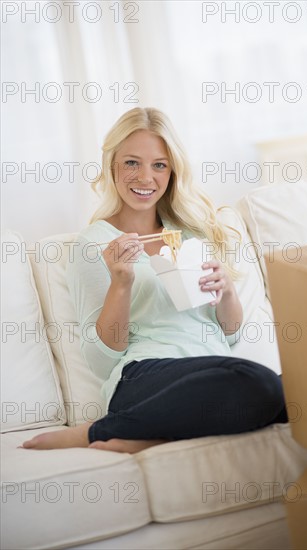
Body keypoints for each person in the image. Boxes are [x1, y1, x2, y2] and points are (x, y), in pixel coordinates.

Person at [22, 107, 287, 453]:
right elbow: (102, 362)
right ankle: (98, 430)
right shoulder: (93, 244)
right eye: (132, 162)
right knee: (261, 384)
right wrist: (121, 282)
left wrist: (226, 293)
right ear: (112, 165)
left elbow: (231, 335)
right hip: (145, 376)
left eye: (159, 165)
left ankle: (151, 434)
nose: (145, 177)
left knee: (304, 389)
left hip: (211, 367)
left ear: (172, 171)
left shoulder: (192, 236)